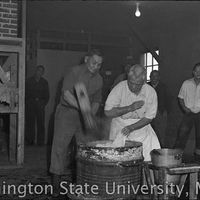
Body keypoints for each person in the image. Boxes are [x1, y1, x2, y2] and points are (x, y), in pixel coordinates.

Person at [49, 49, 103, 196]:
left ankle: (81, 182)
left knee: (84, 149)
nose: (96, 66)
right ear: (86, 59)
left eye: (99, 64)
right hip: (67, 112)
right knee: (60, 148)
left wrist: (90, 114)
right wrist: (82, 108)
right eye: (93, 62)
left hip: (84, 115)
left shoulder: (99, 79)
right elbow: (66, 94)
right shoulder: (74, 72)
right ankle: (55, 184)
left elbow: (97, 100)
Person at [104, 64, 160, 161]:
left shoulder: (150, 92)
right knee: (118, 158)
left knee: (149, 156)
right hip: (120, 125)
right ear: (128, 78)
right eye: (131, 82)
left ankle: (144, 175)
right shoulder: (119, 88)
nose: (133, 86)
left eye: (137, 84)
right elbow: (108, 112)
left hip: (141, 126)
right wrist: (130, 108)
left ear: (144, 82)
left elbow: (149, 118)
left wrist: (131, 127)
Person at [174, 63, 200, 161]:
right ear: (193, 72)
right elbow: (180, 98)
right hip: (188, 112)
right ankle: (176, 157)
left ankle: (198, 159)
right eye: (196, 71)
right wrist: (184, 108)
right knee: (182, 134)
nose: (198, 73)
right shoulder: (186, 83)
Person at [25, 65, 49, 145]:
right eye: (38, 70)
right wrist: (28, 102)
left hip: (40, 105)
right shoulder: (28, 81)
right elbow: (25, 94)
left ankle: (40, 142)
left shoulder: (44, 82)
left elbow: (47, 96)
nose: (39, 72)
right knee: (30, 123)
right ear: (36, 71)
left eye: (41, 71)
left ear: (43, 73)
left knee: (41, 124)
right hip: (30, 105)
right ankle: (29, 141)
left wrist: (42, 104)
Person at [148, 70, 170, 146]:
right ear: (149, 77)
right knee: (149, 131)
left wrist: (165, 112)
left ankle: (161, 148)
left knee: (161, 133)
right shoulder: (146, 87)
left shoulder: (164, 87)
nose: (154, 78)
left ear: (159, 77)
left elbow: (168, 100)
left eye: (156, 76)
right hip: (148, 113)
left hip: (160, 112)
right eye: (152, 76)